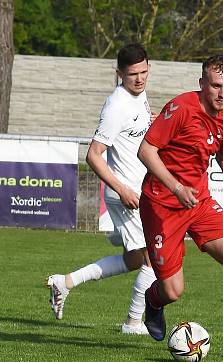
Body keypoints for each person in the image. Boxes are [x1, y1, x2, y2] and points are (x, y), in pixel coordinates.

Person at [137, 54, 223, 361]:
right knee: (172, 291)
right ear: (202, 84)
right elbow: (146, 151)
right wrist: (176, 187)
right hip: (162, 205)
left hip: (199, 204)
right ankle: (153, 301)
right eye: (215, 85)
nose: (222, 93)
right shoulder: (180, 108)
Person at [45, 43, 157, 335]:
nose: (140, 79)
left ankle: (65, 282)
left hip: (138, 189)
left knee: (134, 261)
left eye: (144, 71)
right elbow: (93, 155)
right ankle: (133, 322)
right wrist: (121, 189)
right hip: (127, 193)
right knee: (154, 257)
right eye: (133, 74)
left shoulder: (140, 95)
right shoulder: (116, 105)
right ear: (119, 73)